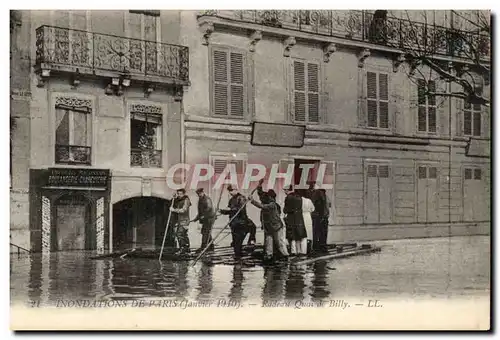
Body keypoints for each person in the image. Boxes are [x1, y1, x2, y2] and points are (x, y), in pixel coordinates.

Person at [249, 186, 289, 262]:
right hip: (269, 227)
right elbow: (262, 196)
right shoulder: (269, 203)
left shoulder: (272, 205)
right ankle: (268, 255)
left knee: (279, 242)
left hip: (276, 227)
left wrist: (252, 201)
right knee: (268, 242)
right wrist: (259, 188)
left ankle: (285, 255)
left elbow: (262, 206)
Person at [219, 185, 248, 260]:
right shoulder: (231, 199)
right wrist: (222, 211)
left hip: (240, 223)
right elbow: (230, 210)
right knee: (235, 240)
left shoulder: (241, 198)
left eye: (231, 190)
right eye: (229, 191)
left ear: (236, 190)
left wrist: (227, 211)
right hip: (233, 223)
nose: (230, 192)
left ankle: (238, 256)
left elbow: (240, 210)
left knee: (238, 240)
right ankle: (237, 255)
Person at [283, 185, 307, 256]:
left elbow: (285, 210)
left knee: (292, 236)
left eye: (285, 190)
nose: (284, 192)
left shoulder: (288, 198)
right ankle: (301, 251)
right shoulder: (299, 197)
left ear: (287, 190)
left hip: (291, 218)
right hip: (299, 218)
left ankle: (293, 251)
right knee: (300, 235)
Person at [192, 188, 215, 253]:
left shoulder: (207, 199)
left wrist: (204, 215)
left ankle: (204, 247)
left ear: (202, 192)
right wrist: (196, 218)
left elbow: (209, 208)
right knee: (207, 232)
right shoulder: (200, 199)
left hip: (209, 218)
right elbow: (200, 211)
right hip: (205, 219)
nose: (199, 195)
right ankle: (211, 246)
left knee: (205, 232)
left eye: (199, 193)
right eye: (198, 194)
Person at [170, 188, 192, 254]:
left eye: (180, 194)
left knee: (180, 234)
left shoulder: (186, 200)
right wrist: (173, 197)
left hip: (184, 221)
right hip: (180, 220)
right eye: (178, 194)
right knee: (184, 234)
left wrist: (174, 210)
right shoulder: (179, 200)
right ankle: (186, 249)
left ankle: (183, 249)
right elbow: (172, 202)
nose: (179, 195)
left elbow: (183, 210)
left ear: (184, 194)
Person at [311, 184, 330, 253]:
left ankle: (316, 247)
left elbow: (319, 207)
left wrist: (320, 216)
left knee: (316, 232)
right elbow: (327, 207)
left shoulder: (318, 194)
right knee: (323, 233)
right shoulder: (325, 196)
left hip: (319, 217)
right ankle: (323, 247)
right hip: (325, 217)